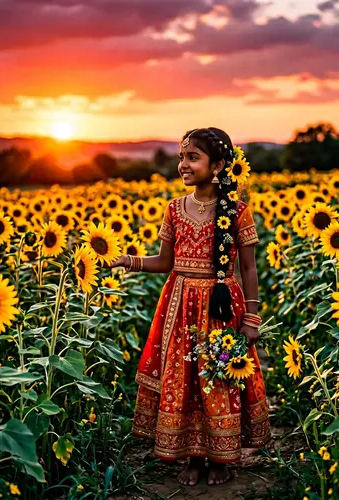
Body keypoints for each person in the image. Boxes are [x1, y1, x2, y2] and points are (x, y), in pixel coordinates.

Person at [105, 127, 271, 487]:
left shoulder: (237, 211)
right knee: (184, 377)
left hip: (219, 306)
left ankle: (220, 457)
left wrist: (253, 317)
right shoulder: (174, 210)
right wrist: (126, 260)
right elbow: (165, 262)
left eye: (192, 157)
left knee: (219, 375)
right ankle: (193, 456)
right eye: (181, 156)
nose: (183, 164)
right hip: (179, 305)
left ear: (218, 165)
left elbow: (248, 268)